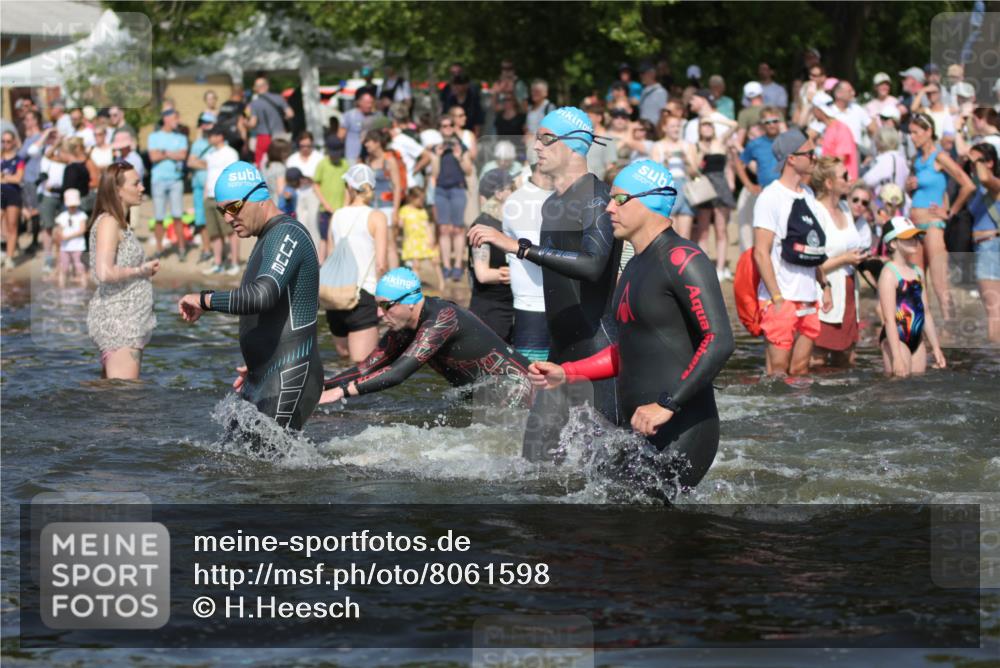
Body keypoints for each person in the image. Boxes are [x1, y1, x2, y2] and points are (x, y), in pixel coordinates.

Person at [528, 160, 734, 500]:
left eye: (620, 199)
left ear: (652, 201)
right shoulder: (634, 266)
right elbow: (628, 348)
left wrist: (667, 404)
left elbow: (720, 341)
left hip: (682, 428)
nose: (609, 207)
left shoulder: (683, 258)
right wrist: (568, 372)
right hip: (639, 429)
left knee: (632, 524)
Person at [468, 107, 623, 460]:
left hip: (596, 347)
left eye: (546, 139)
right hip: (560, 349)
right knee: (534, 464)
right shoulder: (553, 203)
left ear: (575, 145)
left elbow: (593, 266)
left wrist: (519, 248)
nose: (536, 146)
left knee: (611, 469)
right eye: (536, 138)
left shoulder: (598, 199)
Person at [178, 161, 323, 432]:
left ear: (259, 197)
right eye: (221, 211)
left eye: (233, 207)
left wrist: (205, 300)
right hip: (266, 372)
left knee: (267, 460)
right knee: (234, 455)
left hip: (289, 374)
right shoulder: (268, 238)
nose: (227, 218)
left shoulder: (287, 234)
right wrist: (260, 357)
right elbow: (275, 310)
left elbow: (261, 296)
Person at [320, 267, 532, 406]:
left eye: (385, 305)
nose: (378, 313)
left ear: (410, 302)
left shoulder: (443, 319)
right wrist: (323, 386)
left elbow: (397, 374)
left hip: (519, 393)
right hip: (482, 400)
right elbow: (366, 368)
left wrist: (341, 392)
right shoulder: (404, 325)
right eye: (377, 305)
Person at [753, 129, 832, 376]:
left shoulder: (808, 195)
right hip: (782, 297)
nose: (815, 158)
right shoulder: (770, 197)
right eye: (809, 153)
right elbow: (761, 253)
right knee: (777, 372)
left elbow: (813, 248)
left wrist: (825, 285)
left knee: (800, 370)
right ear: (791, 158)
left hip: (808, 296)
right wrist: (777, 298)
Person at [87, 163, 160, 379]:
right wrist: (141, 270)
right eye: (136, 183)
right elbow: (104, 272)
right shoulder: (109, 222)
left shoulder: (120, 223)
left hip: (125, 319)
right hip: (121, 323)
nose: (142, 188)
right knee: (126, 395)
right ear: (117, 190)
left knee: (113, 391)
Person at [906, 112, 975, 320]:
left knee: (939, 284)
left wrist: (950, 212)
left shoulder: (940, 157)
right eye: (910, 133)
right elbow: (921, 193)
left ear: (928, 132)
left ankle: (950, 328)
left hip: (933, 225)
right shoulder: (917, 160)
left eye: (915, 132)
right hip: (914, 226)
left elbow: (968, 185)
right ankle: (923, 328)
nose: (912, 137)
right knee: (917, 283)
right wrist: (909, 188)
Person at [809, 158, 872, 368]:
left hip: (849, 289)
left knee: (846, 357)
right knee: (817, 357)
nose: (850, 179)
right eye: (844, 176)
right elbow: (811, 263)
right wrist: (845, 258)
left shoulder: (845, 208)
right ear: (829, 183)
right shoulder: (815, 211)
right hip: (824, 290)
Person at [325, 164, 389, 364]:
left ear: (350, 187)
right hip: (363, 296)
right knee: (362, 366)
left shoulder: (336, 216)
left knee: (342, 362)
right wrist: (384, 303)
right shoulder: (377, 217)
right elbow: (381, 264)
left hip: (335, 296)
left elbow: (329, 258)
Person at [878, 217, 946, 377]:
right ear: (893, 243)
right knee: (898, 384)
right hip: (896, 340)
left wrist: (936, 348)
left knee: (916, 384)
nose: (914, 240)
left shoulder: (917, 272)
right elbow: (889, 319)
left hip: (917, 339)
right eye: (908, 237)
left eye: (915, 236)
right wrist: (896, 357)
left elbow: (926, 312)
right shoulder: (889, 274)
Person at [501, 166, 554, 362]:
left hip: (566, 303)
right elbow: (538, 250)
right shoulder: (519, 200)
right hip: (533, 305)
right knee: (533, 374)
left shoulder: (566, 196)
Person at [468, 168, 516, 341]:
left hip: (512, 306)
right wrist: (515, 274)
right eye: (512, 188)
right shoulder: (482, 225)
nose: (517, 192)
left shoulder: (512, 223)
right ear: (499, 193)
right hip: (490, 311)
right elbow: (483, 274)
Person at [734, 106, 783, 251]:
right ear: (762, 124)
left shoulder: (788, 141)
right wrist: (749, 185)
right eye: (767, 122)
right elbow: (739, 163)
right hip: (765, 194)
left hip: (785, 193)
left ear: (780, 122)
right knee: (764, 232)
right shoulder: (755, 144)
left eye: (775, 121)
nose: (772, 125)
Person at [431, 115, 475, 280]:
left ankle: (457, 265)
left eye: (450, 125)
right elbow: (435, 174)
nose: (448, 128)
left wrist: (459, 157)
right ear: (440, 129)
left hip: (457, 189)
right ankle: (446, 266)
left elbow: (468, 171)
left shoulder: (461, 146)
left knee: (458, 228)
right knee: (443, 229)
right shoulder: (435, 148)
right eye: (444, 126)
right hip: (441, 190)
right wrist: (437, 156)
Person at [692, 118, 736, 281]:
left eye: (709, 125)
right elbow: (694, 168)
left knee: (721, 230)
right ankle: (705, 268)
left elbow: (734, 125)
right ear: (699, 130)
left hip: (720, 187)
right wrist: (703, 153)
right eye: (704, 125)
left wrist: (712, 116)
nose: (707, 128)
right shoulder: (696, 146)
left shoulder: (721, 142)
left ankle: (720, 267)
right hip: (704, 187)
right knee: (703, 231)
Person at [968, 143, 1000, 343]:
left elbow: (985, 178)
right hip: (985, 248)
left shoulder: (994, 184)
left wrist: (975, 160)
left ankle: (993, 355)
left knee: (993, 310)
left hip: (991, 248)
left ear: (990, 163)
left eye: (977, 161)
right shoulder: (978, 189)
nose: (972, 165)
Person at [200, 125, 241, 275]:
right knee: (214, 233)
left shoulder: (231, 153)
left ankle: (235, 263)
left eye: (212, 135)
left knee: (231, 231)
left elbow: (234, 175)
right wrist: (205, 193)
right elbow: (209, 174)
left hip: (225, 197)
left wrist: (232, 198)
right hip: (210, 197)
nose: (209, 138)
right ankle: (218, 263)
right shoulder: (210, 153)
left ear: (220, 136)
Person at [148, 109, 189, 258]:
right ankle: (159, 249)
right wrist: (173, 154)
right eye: (174, 118)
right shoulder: (154, 136)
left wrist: (164, 153)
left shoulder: (181, 137)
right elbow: (153, 157)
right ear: (166, 119)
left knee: (177, 215)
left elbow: (183, 155)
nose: (177, 121)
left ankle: (181, 248)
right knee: (159, 217)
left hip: (175, 180)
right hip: (158, 180)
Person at [651, 115, 697, 239]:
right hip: (667, 188)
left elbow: (694, 173)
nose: (676, 129)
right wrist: (665, 162)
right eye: (672, 126)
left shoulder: (688, 146)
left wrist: (686, 160)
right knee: (671, 235)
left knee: (685, 236)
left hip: (686, 187)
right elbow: (655, 174)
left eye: (678, 126)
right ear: (664, 128)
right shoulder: (658, 146)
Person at [363, 130, 402, 269]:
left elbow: (397, 187)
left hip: (387, 206)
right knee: (373, 243)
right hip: (371, 207)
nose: (366, 144)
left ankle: (395, 277)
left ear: (377, 142)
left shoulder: (389, 160)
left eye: (368, 141)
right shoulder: (368, 161)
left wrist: (396, 211)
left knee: (390, 244)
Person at [313, 136, 350, 262]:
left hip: (340, 210)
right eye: (333, 152)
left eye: (337, 152)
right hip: (325, 210)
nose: (335, 156)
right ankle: (321, 265)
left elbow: (347, 187)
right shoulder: (322, 164)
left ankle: (336, 264)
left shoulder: (345, 164)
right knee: (324, 238)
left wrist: (346, 205)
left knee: (339, 237)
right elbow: (316, 185)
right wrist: (325, 204)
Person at [399, 186, 443, 290]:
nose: (421, 202)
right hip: (412, 240)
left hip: (424, 239)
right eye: (420, 199)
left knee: (435, 260)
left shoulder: (422, 211)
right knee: (416, 264)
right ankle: (416, 285)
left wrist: (431, 238)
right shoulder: (404, 210)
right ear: (412, 198)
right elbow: (400, 224)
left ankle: (441, 282)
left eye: (423, 200)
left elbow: (427, 225)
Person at [187, 113, 216, 263]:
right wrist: (207, 164)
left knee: (217, 220)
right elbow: (190, 162)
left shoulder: (219, 143)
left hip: (214, 189)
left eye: (208, 123)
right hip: (199, 187)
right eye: (202, 123)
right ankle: (206, 249)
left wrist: (201, 163)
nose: (204, 126)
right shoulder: (198, 143)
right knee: (201, 219)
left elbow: (218, 164)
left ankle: (218, 251)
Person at [249, 77, 293, 167]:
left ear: (257, 88)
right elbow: (290, 114)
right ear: (267, 86)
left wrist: (245, 123)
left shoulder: (255, 103)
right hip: (280, 135)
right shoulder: (279, 98)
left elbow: (253, 123)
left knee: (261, 163)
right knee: (282, 159)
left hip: (263, 136)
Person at [53, 188, 88, 287]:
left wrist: (68, 236)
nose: (72, 207)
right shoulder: (62, 216)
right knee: (63, 268)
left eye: (74, 205)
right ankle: (62, 288)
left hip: (78, 246)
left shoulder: (81, 215)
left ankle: (83, 287)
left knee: (80, 267)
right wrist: (60, 235)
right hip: (65, 247)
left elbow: (82, 229)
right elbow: (59, 230)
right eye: (70, 205)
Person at [1, 131, 24, 269]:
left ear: (14, 142)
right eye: (3, 141)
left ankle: (9, 257)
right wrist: (9, 178)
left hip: (13, 194)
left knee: (12, 225)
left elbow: (18, 178)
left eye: (8, 141)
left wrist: (4, 177)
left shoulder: (19, 160)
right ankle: (2, 252)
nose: (6, 144)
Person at [340, 91, 376, 163]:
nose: (369, 105)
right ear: (360, 102)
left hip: (370, 158)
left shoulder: (375, 117)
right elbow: (341, 136)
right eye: (367, 103)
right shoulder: (350, 115)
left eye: (371, 103)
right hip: (352, 156)